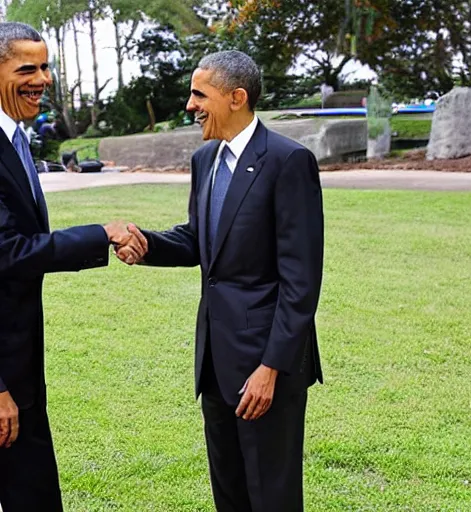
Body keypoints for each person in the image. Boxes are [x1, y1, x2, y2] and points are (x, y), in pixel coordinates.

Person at [119, 50, 324, 512]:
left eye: (199, 94)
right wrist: (145, 244)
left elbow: (301, 282)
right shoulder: (204, 158)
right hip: (215, 360)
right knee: (229, 494)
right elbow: (198, 240)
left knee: (271, 496)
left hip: (264, 368)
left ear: (237, 97)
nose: (190, 105)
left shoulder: (289, 162)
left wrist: (271, 368)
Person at [0, 22, 147, 511]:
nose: (41, 78)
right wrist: (101, 234)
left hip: (21, 369)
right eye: (27, 68)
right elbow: (10, 251)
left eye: (45, 66)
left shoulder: (16, 142)